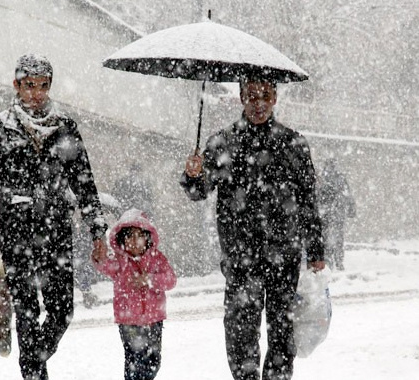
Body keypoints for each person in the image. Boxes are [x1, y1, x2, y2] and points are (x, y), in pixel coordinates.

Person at [0, 54, 108, 380]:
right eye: (29, 86)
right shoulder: (0, 129)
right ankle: (35, 374)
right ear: (16, 85)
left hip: (57, 230)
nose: (36, 93)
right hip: (16, 231)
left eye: (43, 86)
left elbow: (85, 182)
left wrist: (98, 231)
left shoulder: (65, 128)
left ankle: (33, 364)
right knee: (27, 313)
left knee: (62, 311)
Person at [180, 78, 325, 380]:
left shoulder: (293, 144)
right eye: (252, 96)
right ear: (241, 98)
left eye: (266, 96)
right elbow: (198, 192)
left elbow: (308, 199)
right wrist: (193, 175)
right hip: (239, 256)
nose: (259, 103)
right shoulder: (223, 143)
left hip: (284, 255)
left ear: (275, 99)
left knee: (282, 333)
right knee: (240, 332)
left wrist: (315, 249)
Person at [92, 208, 176, 380]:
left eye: (139, 235)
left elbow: (170, 280)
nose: (134, 241)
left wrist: (150, 280)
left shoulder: (156, 258)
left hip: (154, 319)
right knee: (134, 360)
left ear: (147, 237)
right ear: (122, 241)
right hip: (128, 320)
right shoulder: (120, 261)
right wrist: (99, 258)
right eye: (129, 236)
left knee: (153, 361)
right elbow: (106, 265)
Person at [317, 159, 356, 271]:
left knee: (326, 238)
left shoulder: (324, 177)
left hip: (328, 213)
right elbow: (347, 193)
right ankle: (337, 261)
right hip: (336, 212)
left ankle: (330, 260)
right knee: (337, 238)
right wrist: (351, 207)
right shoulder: (339, 178)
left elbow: (319, 195)